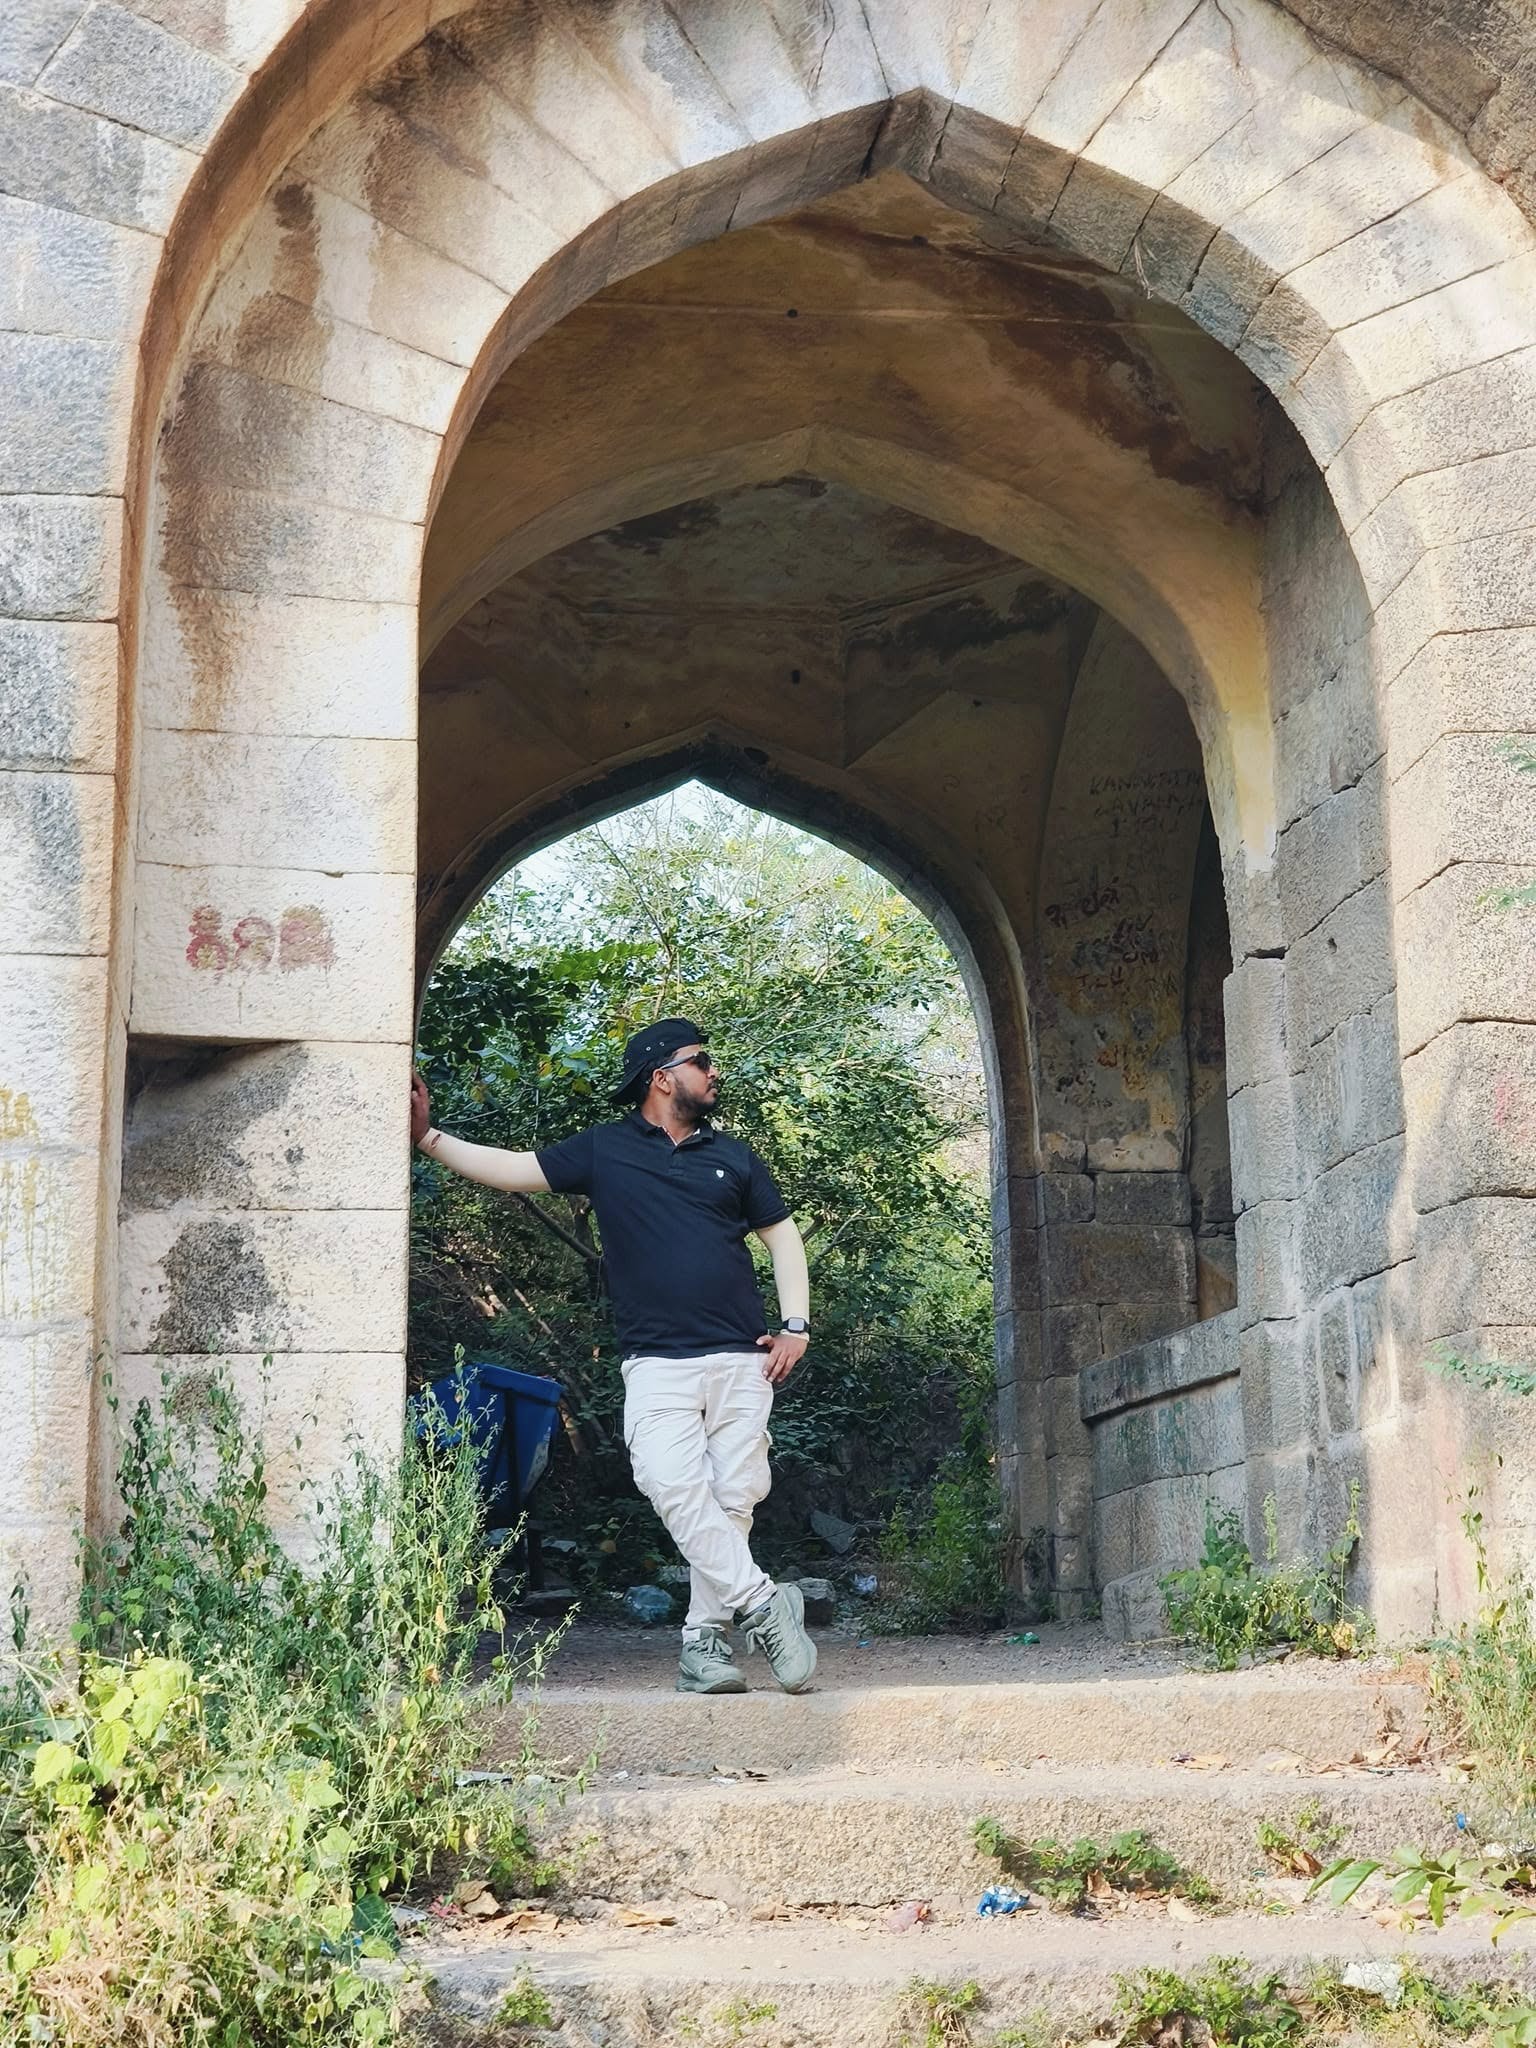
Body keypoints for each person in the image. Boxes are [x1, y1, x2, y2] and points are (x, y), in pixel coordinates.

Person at [409, 1017, 817, 1696]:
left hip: (743, 1360)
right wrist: (426, 1137)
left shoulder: (735, 1158)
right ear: (662, 1077)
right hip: (657, 1363)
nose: (714, 1073)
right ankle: (766, 1604)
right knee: (669, 1480)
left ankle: (701, 1647)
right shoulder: (604, 1151)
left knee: (734, 1497)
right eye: (702, 1062)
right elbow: (515, 1170)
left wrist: (797, 1325)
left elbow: (782, 1236)